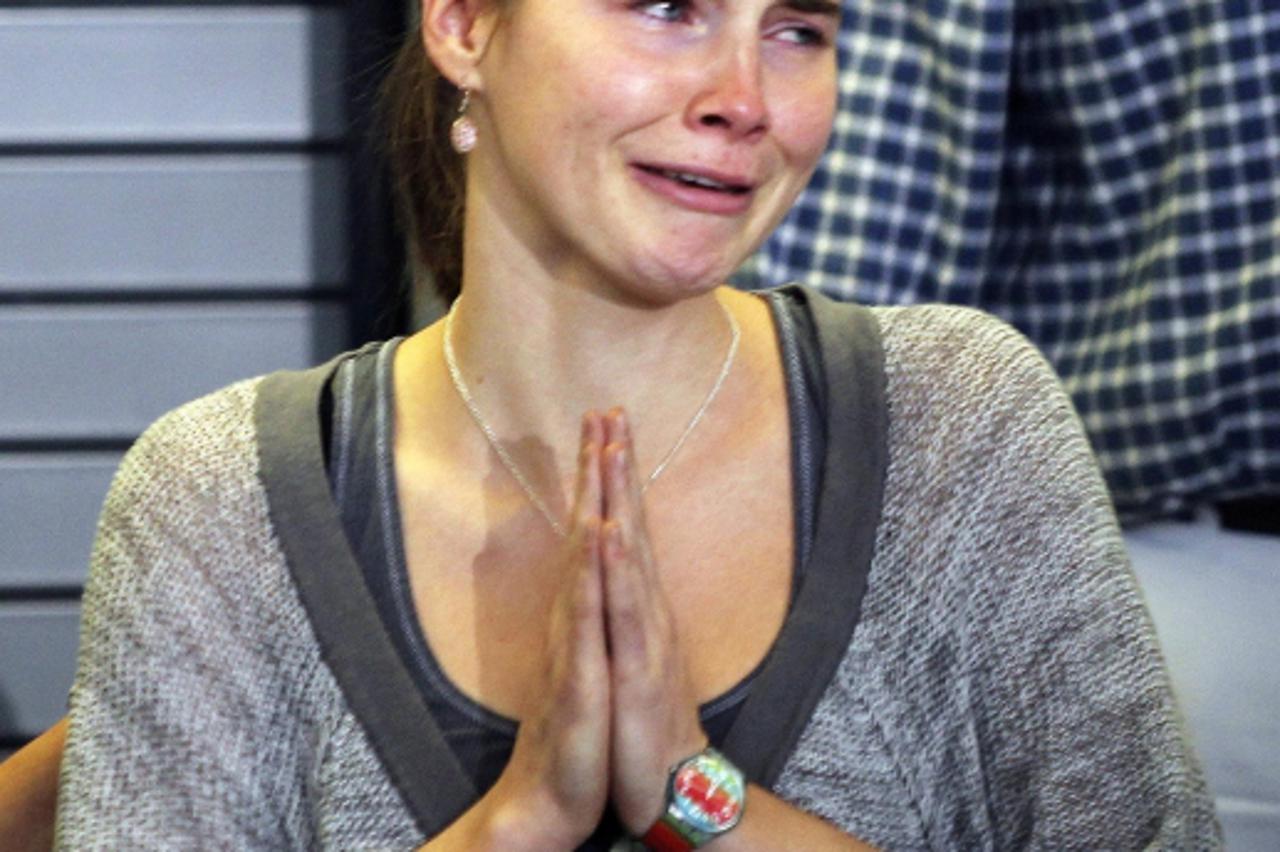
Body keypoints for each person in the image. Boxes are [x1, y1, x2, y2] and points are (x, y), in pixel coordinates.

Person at [50, 0, 1219, 848]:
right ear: (461, 24)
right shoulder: (220, 497)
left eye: (797, 31)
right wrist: (515, 826)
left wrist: (693, 797)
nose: (744, 100)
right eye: (666, 9)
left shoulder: (959, 425)